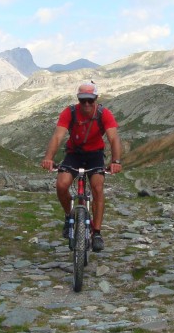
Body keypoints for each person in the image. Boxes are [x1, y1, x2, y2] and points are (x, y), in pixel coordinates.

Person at [41, 81, 122, 252]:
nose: (86, 104)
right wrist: (48, 158)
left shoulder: (103, 114)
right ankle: (69, 215)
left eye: (90, 100)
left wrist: (115, 161)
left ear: (96, 99)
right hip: (74, 154)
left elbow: (114, 138)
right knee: (61, 185)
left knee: (97, 187)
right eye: (82, 100)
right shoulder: (69, 112)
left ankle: (97, 233)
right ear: (78, 99)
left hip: (95, 155)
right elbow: (57, 137)